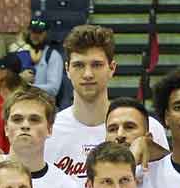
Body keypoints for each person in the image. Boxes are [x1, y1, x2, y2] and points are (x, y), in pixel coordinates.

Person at [49, 25, 170, 179]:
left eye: (96, 65)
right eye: (79, 65)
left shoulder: (149, 127)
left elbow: (168, 187)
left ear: (112, 68)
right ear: (67, 70)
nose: (87, 74)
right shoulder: (49, 132)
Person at [24, 20, 63, 98]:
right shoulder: (21, 51)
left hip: (43, 104)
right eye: (33, 32)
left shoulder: (53, 55)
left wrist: (27, 87)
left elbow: (53, 89)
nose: (35, 36)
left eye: (39, 33)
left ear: (46, 34)